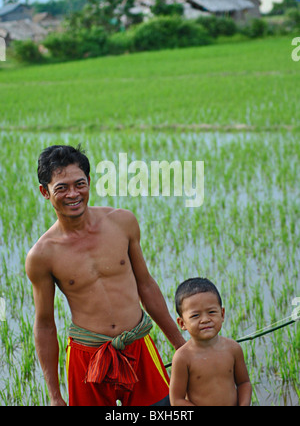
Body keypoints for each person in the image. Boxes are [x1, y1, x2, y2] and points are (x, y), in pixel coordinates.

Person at [26, 145, 185, 406]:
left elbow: (146, 285)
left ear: (89, 181)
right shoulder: (42, 255)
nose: (73, 194)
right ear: (45, 192)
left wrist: (182, 347)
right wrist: (55, 396)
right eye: (61, 188)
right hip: (87, 357)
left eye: (79, 184)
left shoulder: (122, 222)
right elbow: (44, 324)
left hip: (138, 346)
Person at [169, 277, 252, 406]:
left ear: (222, 314)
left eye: (212, 312)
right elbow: (176, 400)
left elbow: (244, 383)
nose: (205, 319)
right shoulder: (182, 358)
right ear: (182, 323)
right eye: (195, 315)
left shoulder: (233, 349)